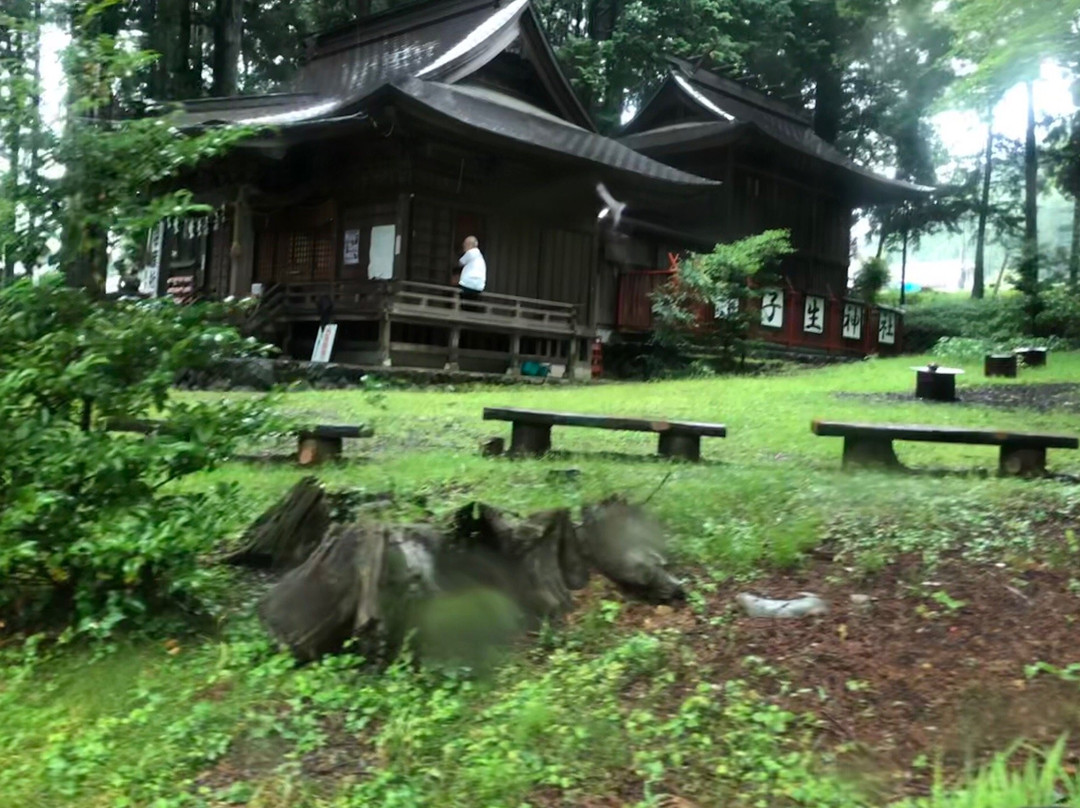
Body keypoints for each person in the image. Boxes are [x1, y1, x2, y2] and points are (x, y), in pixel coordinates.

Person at [454, 236, 486, 300]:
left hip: (468, 284)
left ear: (469, 244)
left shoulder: (471, 252)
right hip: (479, 286)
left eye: (465, 244)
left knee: (455, 292)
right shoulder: (479, 255)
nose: (463, 246)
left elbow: (460, 262)